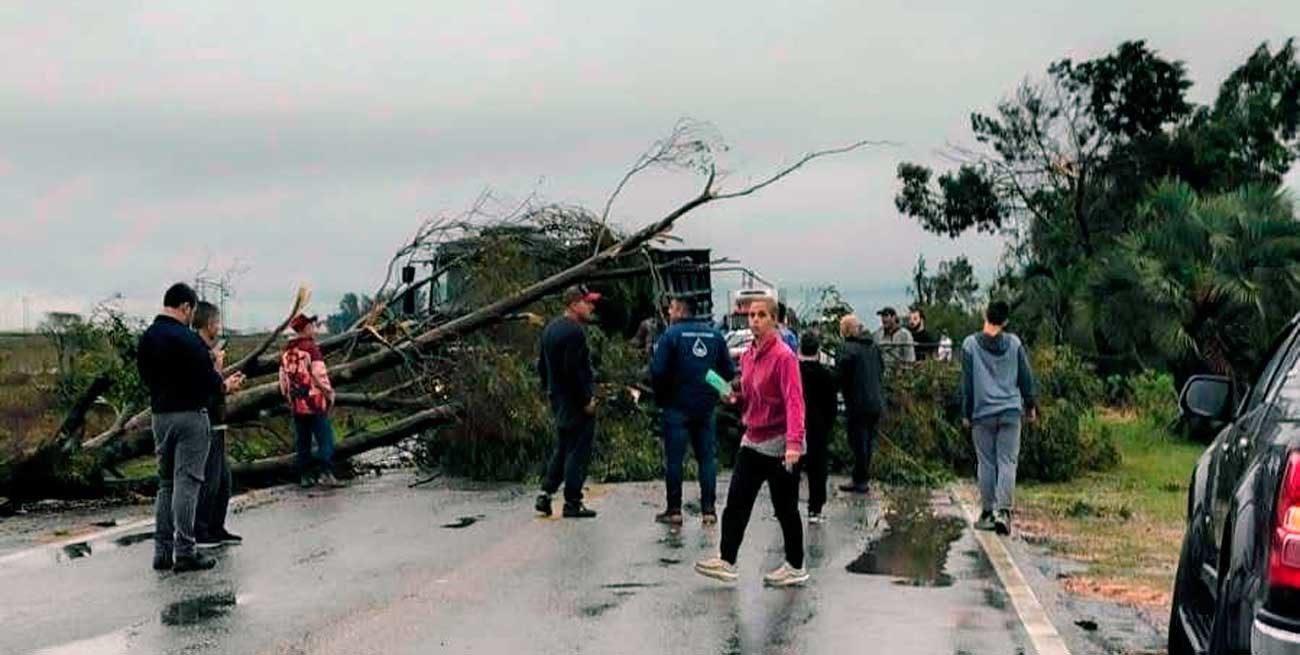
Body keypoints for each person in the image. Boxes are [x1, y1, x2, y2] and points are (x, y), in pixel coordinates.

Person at [695, 296, 808, 587]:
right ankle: (727, 560)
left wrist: (794, 444)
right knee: (736, 502)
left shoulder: (784, 357)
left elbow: (795, 402)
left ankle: (795, 565)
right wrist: (734, 397)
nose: (754, 320)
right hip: (753, 437)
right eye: (751, 315)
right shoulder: (748, 355)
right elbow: (749, 393)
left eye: (761, 315)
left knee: (785, 509)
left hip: (781, 442)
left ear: (775, 320)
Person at [137, 283, 243, 572]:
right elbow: (208, 379)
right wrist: (225, 385)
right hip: (190, 416)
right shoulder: (187, 339)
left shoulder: (147, 338)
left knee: (166, 483)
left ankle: (162, 551)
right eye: (191, 311)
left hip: (160, 416)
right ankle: (185, 550)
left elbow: (145, 375)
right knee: (188, 483)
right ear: (185, 307)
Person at [649, 296, 735, 526]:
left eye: (671, 308)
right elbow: (728, 371)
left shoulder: (671, 336)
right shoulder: (715, 336)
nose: (668, 311)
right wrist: (709, 383)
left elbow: (657, 371)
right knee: (707, 458)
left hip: (676, 407)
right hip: (705, 408)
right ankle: (709, 511)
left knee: (675, 459)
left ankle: (674, 511)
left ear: (680, 310)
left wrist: (663, 395)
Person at [961, 300, 1038, 536]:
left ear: (985, 315)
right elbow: (1026, 377)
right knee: (1007, 462)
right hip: (1010, 411)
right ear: (1005, 321)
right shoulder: (1014, 343)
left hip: (982, 412)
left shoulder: (970, 345)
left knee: (986, 463)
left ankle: (986, 512)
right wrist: (1031, 405)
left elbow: (967, 384)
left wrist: (966, 413)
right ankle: (1003, 512)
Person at [535, 285, 601, 519]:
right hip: (575, 401)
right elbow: (573, 370)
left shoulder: (550, 328)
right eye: (587, 302)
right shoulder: (575, 332)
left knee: (563, 447)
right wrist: (585, 400)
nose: (591, 307)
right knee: (577, 451)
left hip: (558, 398)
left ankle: (546, 493)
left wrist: (550, 391)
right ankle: (573, 502)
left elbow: (541, 366)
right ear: (574, 304)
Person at [192, 301, 242, 548]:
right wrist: (220, 376)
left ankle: (216, 526)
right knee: (210, 479)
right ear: (209, 323)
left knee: (223, 481)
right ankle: (201, 530)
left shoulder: (207, 351)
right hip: (206, 422)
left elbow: (214, 386)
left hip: (218, 420)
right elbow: (205, 387)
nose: (219, 327)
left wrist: (224, 383)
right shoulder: (198, 352)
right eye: (217, 322)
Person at [279, 313, 344, 489]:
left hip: (296, 403)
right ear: (305, 329)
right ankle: (326, 472)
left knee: (303, 440)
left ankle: (305, 476)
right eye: (312, 326)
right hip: (314, 402)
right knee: (325, 438)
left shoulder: (286, 351)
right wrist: (329, 393)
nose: (314, 329)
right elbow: (319, 374)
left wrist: (288, 396)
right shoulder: (311, 349)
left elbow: (283, 379)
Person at [835, 315, 884, 495]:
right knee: (868, 442)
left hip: (857, 403)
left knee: (858, 443)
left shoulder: (846, 349)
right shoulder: (874, 347)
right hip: (876, 401)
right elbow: (882, 369)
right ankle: (861, 477)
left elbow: (839, 377)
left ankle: (860, 480)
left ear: (845, 331)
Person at [796, 332, 836, 523]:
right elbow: (832, 406)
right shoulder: (827, 375)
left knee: (792, 466)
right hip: (818, 427)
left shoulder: (794, 371)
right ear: (819, 351)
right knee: (817, 469)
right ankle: (815, 509)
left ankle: (787, 505)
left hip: (796, 425)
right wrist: (828, 426)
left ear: (799, 349)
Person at [874, 306, 915, 371]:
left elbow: (910, 358)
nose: (883, 319)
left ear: (894, 317)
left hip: (899, 374)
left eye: (886, 316)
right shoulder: (878, 334)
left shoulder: (905, 334)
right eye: (882, 316)